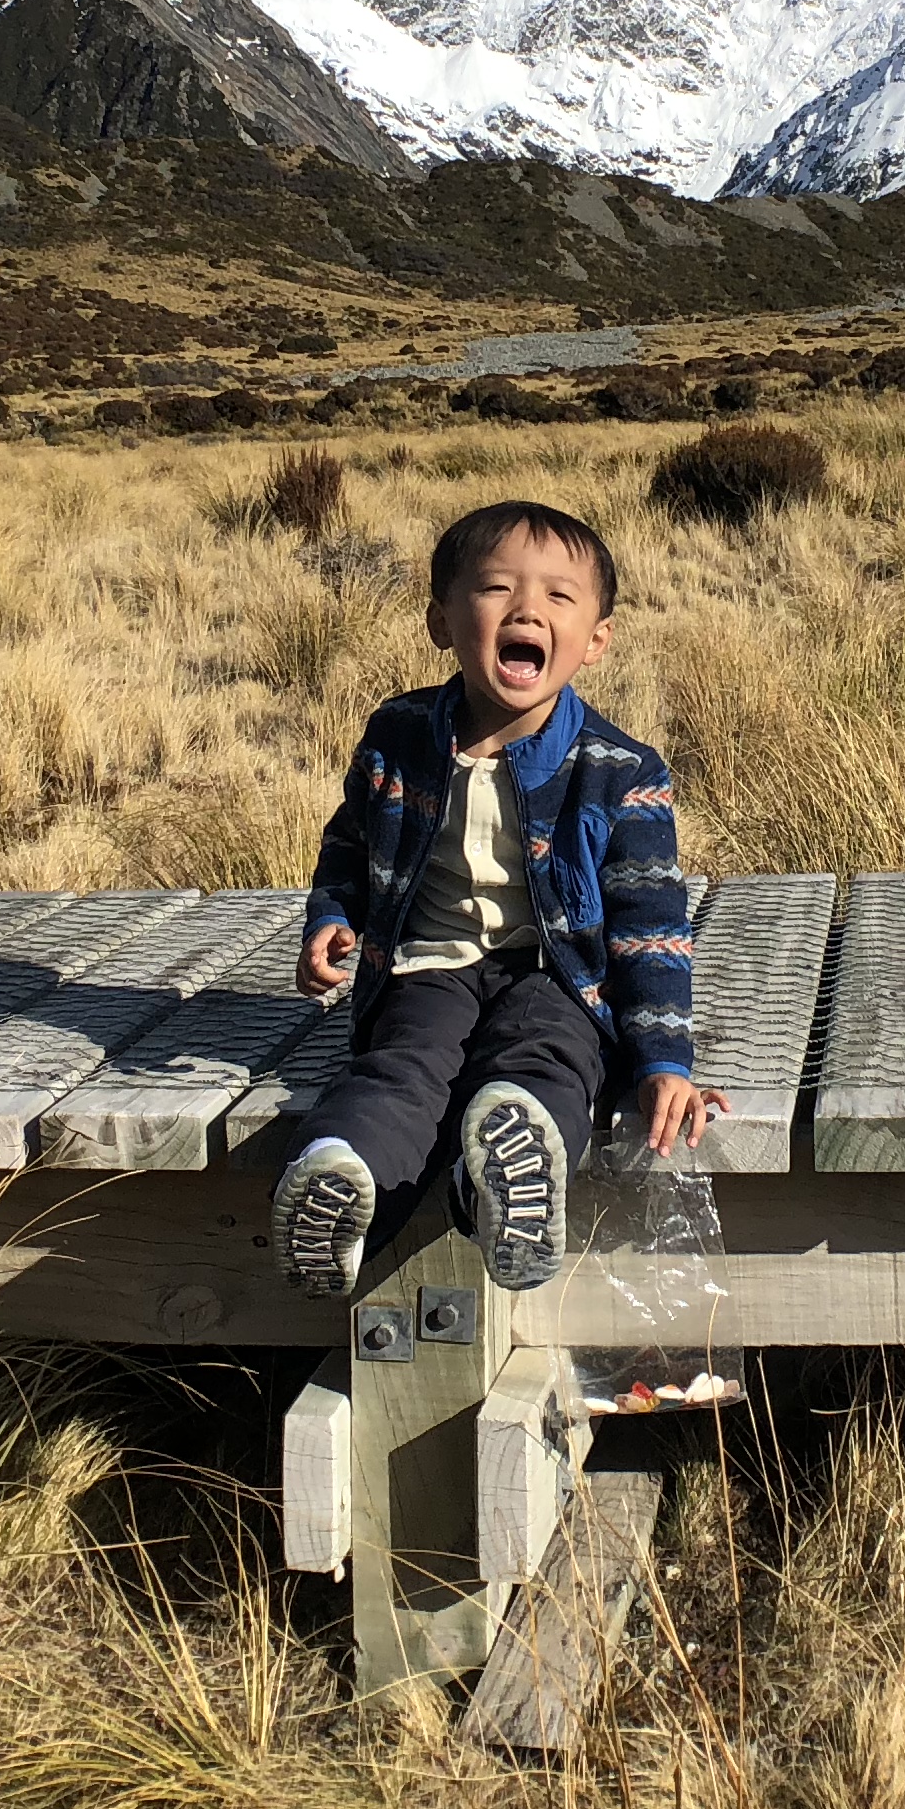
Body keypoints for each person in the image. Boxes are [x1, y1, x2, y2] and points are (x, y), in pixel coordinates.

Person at [269, 498, 709, 1297]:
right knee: (400, 1067)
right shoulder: (399, 735)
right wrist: (334, 918)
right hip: (426, 962)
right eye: (497, 588)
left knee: (548, 1058)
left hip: (558, 977)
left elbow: (651, 929)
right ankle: (340, 1176)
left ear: (596, 640)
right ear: (441, 619)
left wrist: (662, 1059)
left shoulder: (621, 771)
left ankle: (506, 1183)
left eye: (558, 597)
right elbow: (350, 842)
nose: (527, 609)